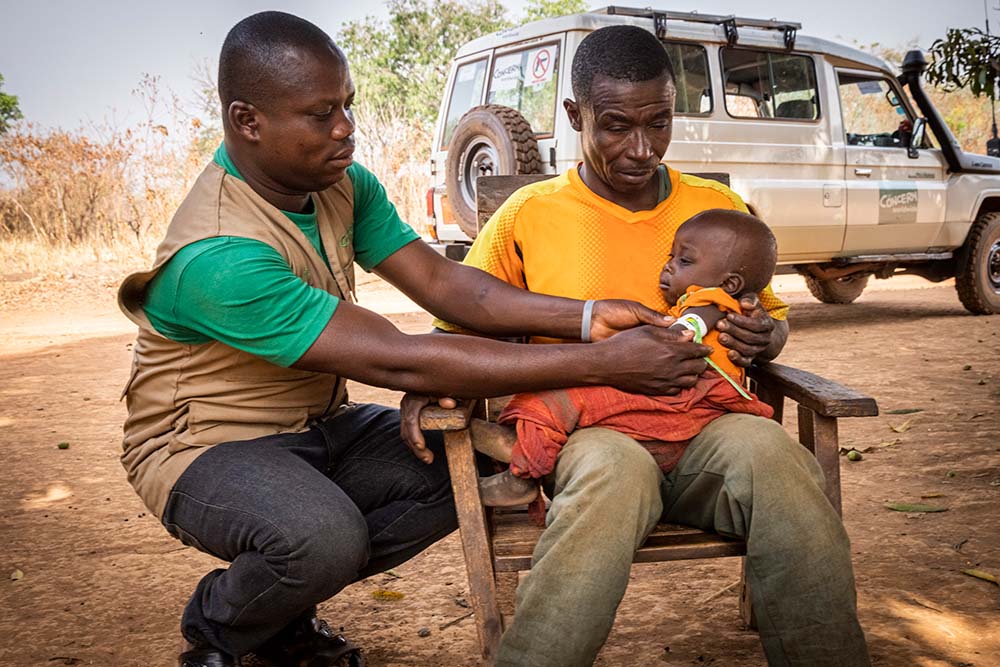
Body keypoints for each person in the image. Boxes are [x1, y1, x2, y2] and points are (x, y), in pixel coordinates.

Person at [117, 12, 717, 667]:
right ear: (247, 120)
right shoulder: (221, 256)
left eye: (347, 105)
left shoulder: (339, 185)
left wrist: (587, 315)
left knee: (472, 461)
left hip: (319, 426)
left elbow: (449, 284)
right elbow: (396, 356)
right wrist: (607, 361)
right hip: (202, 446)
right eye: (321, 114)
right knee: (324, 538)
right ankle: (223, 623)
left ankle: (281, 605)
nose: (346, 127)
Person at [417, 24, 871, 667]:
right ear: (576, 116)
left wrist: (767, 336)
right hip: (593, 434)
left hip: (710, 427)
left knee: (780, 463)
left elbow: (770, 315)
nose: (641, 148)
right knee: (611, 474)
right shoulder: (529, 213)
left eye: (658, 123)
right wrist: (427, 384)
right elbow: (459, 325)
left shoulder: (715, 208)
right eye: (615, 126)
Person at [475, 208, 779, 507]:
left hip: (688, 392)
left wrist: (643, 344)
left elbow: (684, 333)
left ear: (730, 285)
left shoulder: (710, 300)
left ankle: (521, 451)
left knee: (564, 396)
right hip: (680, 396)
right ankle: (524, 457)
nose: (670, 267)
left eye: (684, 260)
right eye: (670, 257)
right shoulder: (527, 208)